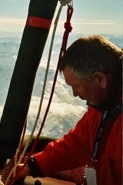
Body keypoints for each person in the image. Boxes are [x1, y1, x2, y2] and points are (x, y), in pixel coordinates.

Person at [16, 35, 122, 185]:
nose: (74, 94)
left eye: (76, 86)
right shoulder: (102, 106)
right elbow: (77, 144)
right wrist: (32, 166)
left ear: (100, 79)